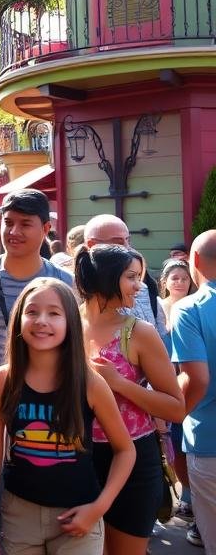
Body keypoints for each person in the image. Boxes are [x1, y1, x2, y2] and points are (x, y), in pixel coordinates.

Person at [0, 278, 135, 555]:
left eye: (54, 313)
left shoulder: (90, 383)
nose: (41, 320)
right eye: (32, 311)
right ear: (18, 319)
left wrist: (98, 507)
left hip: (78, 516)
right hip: (18, 514)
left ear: (71, 322)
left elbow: (125, 450)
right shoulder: (0, 380)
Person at [76, 245, 184, 554]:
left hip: (134, 458)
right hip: (74, 457)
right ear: (106, 277)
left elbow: (176, 408)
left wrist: (121, 383)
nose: (140, 285)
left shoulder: (138, 332)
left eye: (139, 277)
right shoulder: (65, 325)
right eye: (131, 277)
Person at [0, 189, 73, 372]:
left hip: (43, 393)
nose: (14, 231)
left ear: (46, 229)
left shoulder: (65, 283)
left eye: (25, 224)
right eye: (8, 223)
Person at [171, 230, 216, 551]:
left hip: (208, 441)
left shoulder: (190, 308)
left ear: (194, 261)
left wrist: (169, 409)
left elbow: (197, 379)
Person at [159, 258, 199, 523]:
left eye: (184, 278)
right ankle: (186, 494)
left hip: (191, 381)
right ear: (164, 282)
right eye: (175, 278)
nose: (180, 282)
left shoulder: (194, 309)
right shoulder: (158, 308)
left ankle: (193, 496)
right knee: (173, 444)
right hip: (166, 381)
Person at [83, 214, 165, 331]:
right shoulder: (75, 289)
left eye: (128, 241)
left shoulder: (144, 285)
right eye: (118, 243)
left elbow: (160, 331)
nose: (127, 248)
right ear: (92, 245)